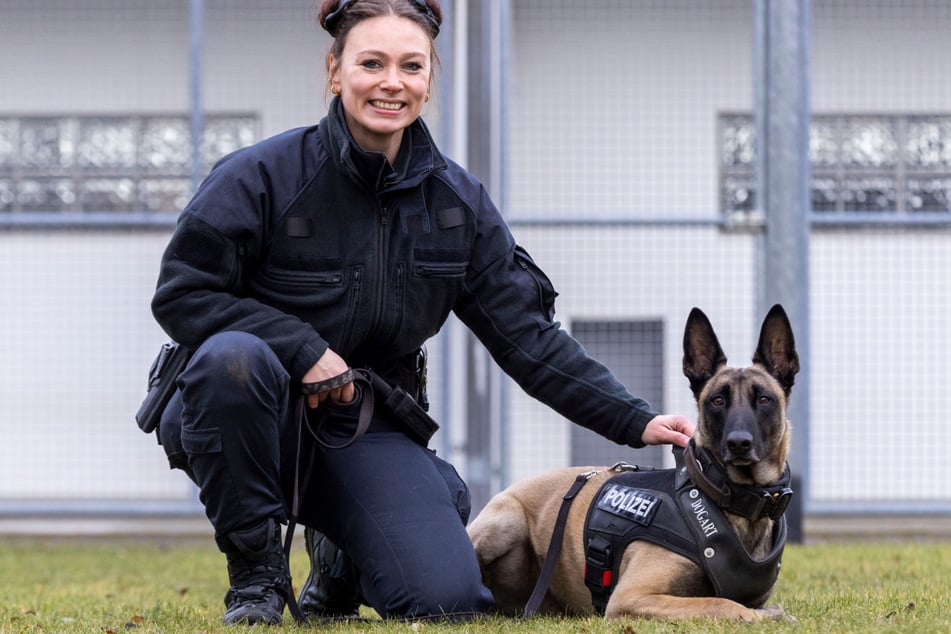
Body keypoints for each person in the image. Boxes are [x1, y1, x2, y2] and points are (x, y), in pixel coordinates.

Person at [150, 0, 695, 626]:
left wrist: (636, 419)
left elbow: (528, 340)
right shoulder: (262, 176)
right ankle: (256, 580)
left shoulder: (457, 205)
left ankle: (345, 555)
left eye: (411, 66)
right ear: (335, 71)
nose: (391, 82)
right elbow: (181, 293)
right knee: (233, 360)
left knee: (446, 600)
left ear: (429, 78)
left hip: (361, 425)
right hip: (248, 419)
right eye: (371, 63)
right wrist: (299, 348)